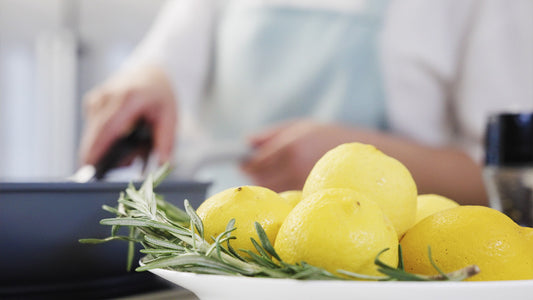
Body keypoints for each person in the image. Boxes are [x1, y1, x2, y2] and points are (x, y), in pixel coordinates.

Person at [79, 0, 531, 205]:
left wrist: (342, 166)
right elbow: (161, 65)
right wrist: (144, 81)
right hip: (220, 263)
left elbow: (513, 181)